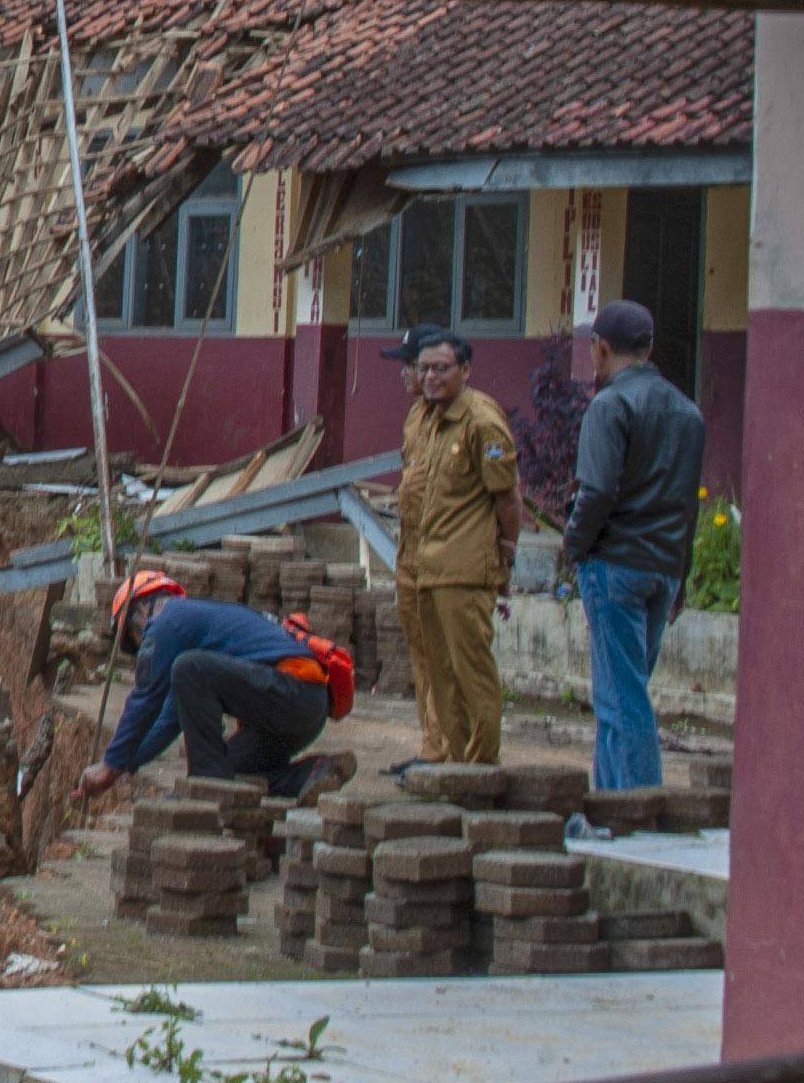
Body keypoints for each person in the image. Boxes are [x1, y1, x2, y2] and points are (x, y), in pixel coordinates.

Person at [561, 298, 708, 793]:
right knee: (618, 695)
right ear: (650, 347)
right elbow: (689, 504)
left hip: (615, 562)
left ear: (600, 349)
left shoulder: (609, 406)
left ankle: (639, 809)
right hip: (663, 568)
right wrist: (681, 574)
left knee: (622, 700)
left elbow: (596, 492)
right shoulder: (688, 412)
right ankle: (610, 805)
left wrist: (574, 546)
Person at [80, 568, 353, 806]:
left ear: (139, 611)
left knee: (189, 667)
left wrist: (109, 764)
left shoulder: (169, 621)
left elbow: (145, 697)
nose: (142, 644)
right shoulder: (193, 635)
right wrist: (125, 765)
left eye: (134, 636)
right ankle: (311, 773)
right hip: (303, 709)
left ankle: (206, 786)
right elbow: (168, 720)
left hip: (293, 691)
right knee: (229, 767)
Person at [383, 320, 518, 771]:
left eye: (441, 368)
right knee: (440, 674)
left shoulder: (481, 420)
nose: (430, 377)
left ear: (465, 369)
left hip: (464, 568)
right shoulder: (428, 418)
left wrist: (508, 551)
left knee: (470, 670)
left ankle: (480, 766)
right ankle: (453, 766)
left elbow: (507, 497)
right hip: (426, 567)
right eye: (424, 369)